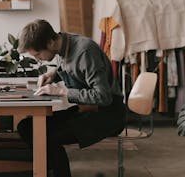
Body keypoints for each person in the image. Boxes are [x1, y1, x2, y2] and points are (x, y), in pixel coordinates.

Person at [17, 19, 125, 177]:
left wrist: (62, 91)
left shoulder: (85, 51)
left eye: (38, 54)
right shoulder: (63, 44)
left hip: (108, 115)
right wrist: (53, 74)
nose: (38, 59)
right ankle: (48, 171)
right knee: (26, 127)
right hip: (86, 109)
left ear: (50, 42)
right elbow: (71, 66)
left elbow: (103, 96)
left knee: (48, 136)